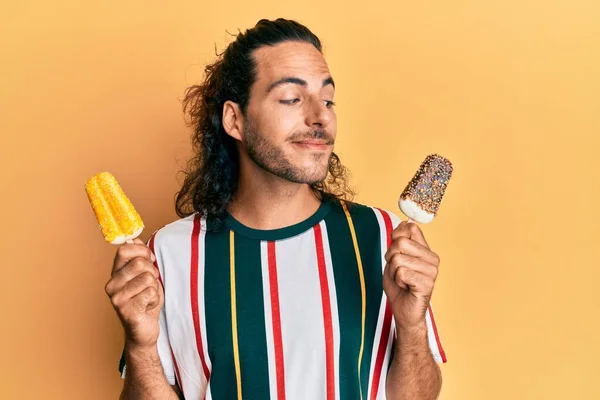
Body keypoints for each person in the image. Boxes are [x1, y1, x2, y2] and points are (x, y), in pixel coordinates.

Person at [106, 18, 446, 400]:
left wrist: (412, 324)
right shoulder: (166, 254)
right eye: (291, 99)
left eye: (328, 99)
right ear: (235, 119)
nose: (321, 117)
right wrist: (140, 346)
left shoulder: (382, 235)